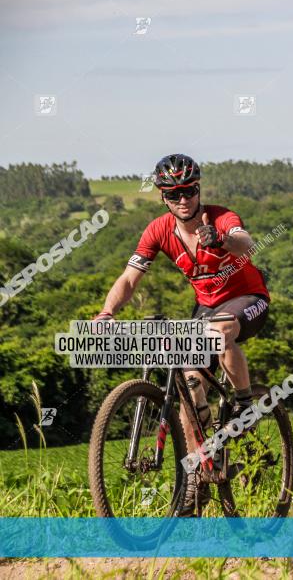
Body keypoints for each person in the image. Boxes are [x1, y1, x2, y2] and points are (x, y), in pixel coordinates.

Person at [93, 153, 270, 516]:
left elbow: (246, 243)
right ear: (163, 197)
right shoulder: (159, 230)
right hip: (206, 306)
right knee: (190, 385)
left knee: (221, 333)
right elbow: (129, 278)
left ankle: (243, 402)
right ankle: (199, 473)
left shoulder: (220, 217)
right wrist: (107, 312)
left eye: (188, 190)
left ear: (198, 188)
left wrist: (220, 239)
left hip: (247, 298)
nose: (183, 199)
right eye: (174, 194)